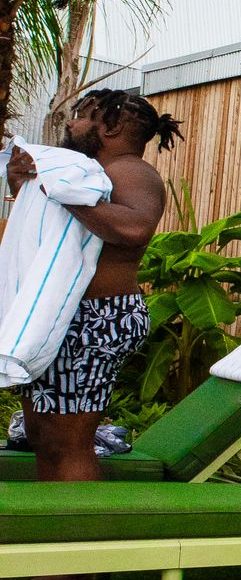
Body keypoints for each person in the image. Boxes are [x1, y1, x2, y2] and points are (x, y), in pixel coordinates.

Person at [7, 86, 180, 482]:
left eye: (84, 115)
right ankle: (57, 524)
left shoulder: (131, 171)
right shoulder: (90, 173)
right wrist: (26, 187)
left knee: (67, 443)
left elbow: (135, 228)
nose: (72, 123)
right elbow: (59, 231)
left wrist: (61, 189)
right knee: (42, 436)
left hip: (97, 319)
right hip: (70, 318)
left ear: (113, 126)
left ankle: (75, 533)